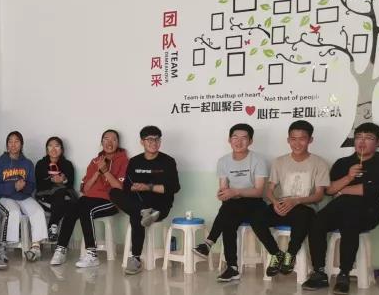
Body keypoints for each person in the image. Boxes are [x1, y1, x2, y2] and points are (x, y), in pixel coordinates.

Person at [302, 122, 379, 295]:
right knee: (316, 222)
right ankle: (319, 272)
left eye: (368, 138)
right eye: (359, 137)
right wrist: (349, 177)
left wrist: (342, 190)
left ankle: (344, 274)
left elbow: (374, 190)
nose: (362, 141)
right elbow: (329, 190)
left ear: (378, 142)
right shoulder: (343, 163)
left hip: (368, 212)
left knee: (350, 220)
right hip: (339, 208)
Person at [194, 123, 278, 282]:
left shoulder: (258, 160)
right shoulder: (223, 161)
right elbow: (223, 188)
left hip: (254, 203)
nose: (239, 142)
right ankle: (231, 267)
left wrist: (236, 192)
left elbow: (259, 191)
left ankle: (210, 243)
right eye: (235, 138)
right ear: (229, 140)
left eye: (244, 138)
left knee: (229, 212)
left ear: (250, 141)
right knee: (228, 217)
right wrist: (222, 194)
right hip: (233, 204)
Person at [51, 129, 128, 268]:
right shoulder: (95, 161)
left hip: (111, 201)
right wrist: (97, 172)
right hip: (90, 199)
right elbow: (85, 189)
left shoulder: (124, 161)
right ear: (101, 142)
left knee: (86, 210)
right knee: (72, 208)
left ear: (118, 143)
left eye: (113, 139)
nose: (109, 142)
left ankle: (92, 254)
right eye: (106, 139)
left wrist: (105, 171)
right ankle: (61, 249)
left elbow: (120, 188)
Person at [109, 125, 179, 275]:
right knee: (114, 193)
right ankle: (143, 212)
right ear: (142, 142)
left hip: (160, 206)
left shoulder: (168, 161)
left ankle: (135, 258)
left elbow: (174, 188)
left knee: (136, 216)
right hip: (140, 203)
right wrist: (133, 187)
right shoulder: (134, 161)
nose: (154, 142)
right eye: (149, 139)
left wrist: (148, 187)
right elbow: (126, 187)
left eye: (157, 139)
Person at [264, 120, 331, 277]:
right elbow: (269, 190)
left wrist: (296, 201)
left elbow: (319, 195)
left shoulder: (319, 163)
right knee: (257, 217)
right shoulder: (279, 161)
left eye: (302, 139)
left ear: (310, 140)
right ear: (288, 140)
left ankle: (290, 254)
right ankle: (276, 253)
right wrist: (275, 203)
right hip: (281, 205)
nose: (297, 143)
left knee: (303, 216)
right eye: (293, 139)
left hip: (304, 206)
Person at [0, 130, 47, 262]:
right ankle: (3, 247)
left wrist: (23, 187)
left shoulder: (27, 163)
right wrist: (13, 187)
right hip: (4, 197)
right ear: (7, 145)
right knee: (13, 211)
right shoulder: (0, 163)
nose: (13, 144)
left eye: (16, 141)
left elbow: (32, 185)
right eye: (10, 142)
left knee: (38, 211)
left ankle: (35, 248)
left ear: (21, 144)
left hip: (22, 195)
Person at [34, 136, 76, 243]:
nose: (53, 149)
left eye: (57, 146)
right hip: (45, 197)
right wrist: (52, 180)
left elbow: (70, 183)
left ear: (61, 149)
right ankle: (55, 232)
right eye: (50, 146)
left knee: (63, 195)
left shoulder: (67, 164)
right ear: (47, 149)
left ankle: (52, 226)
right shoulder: (41, 164)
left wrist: (64, 179)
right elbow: (39, 184)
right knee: (64, 199)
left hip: (61, 197)